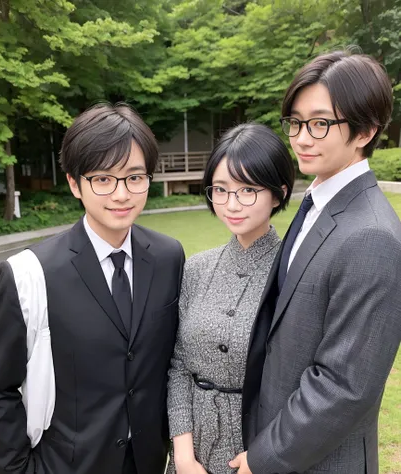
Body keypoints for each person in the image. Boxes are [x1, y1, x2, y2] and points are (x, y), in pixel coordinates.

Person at [0, 103, 185, 474]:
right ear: (75, 183)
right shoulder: (28, 274)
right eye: (103, 179)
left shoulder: (169, 258)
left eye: (135, 177)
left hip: (149, 462)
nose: (122, 194)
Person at [230, 51, 401, 474]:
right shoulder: (318, 203)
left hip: (319, 460)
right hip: (280, 436)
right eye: (296, 122)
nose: (302, 138)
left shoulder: (371, 235)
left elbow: (346, 385)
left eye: (321, 123)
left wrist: (261, 459)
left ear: (365, 130)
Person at [167, 123, 295, 474]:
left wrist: (266, 455)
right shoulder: (196, 268)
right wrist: (182, 454)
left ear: (279, 192)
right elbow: (179, 364)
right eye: (220, 190)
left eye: (248, 190)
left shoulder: (295, 273)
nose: (231, 204)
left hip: (262, 450)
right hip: (195, 450)